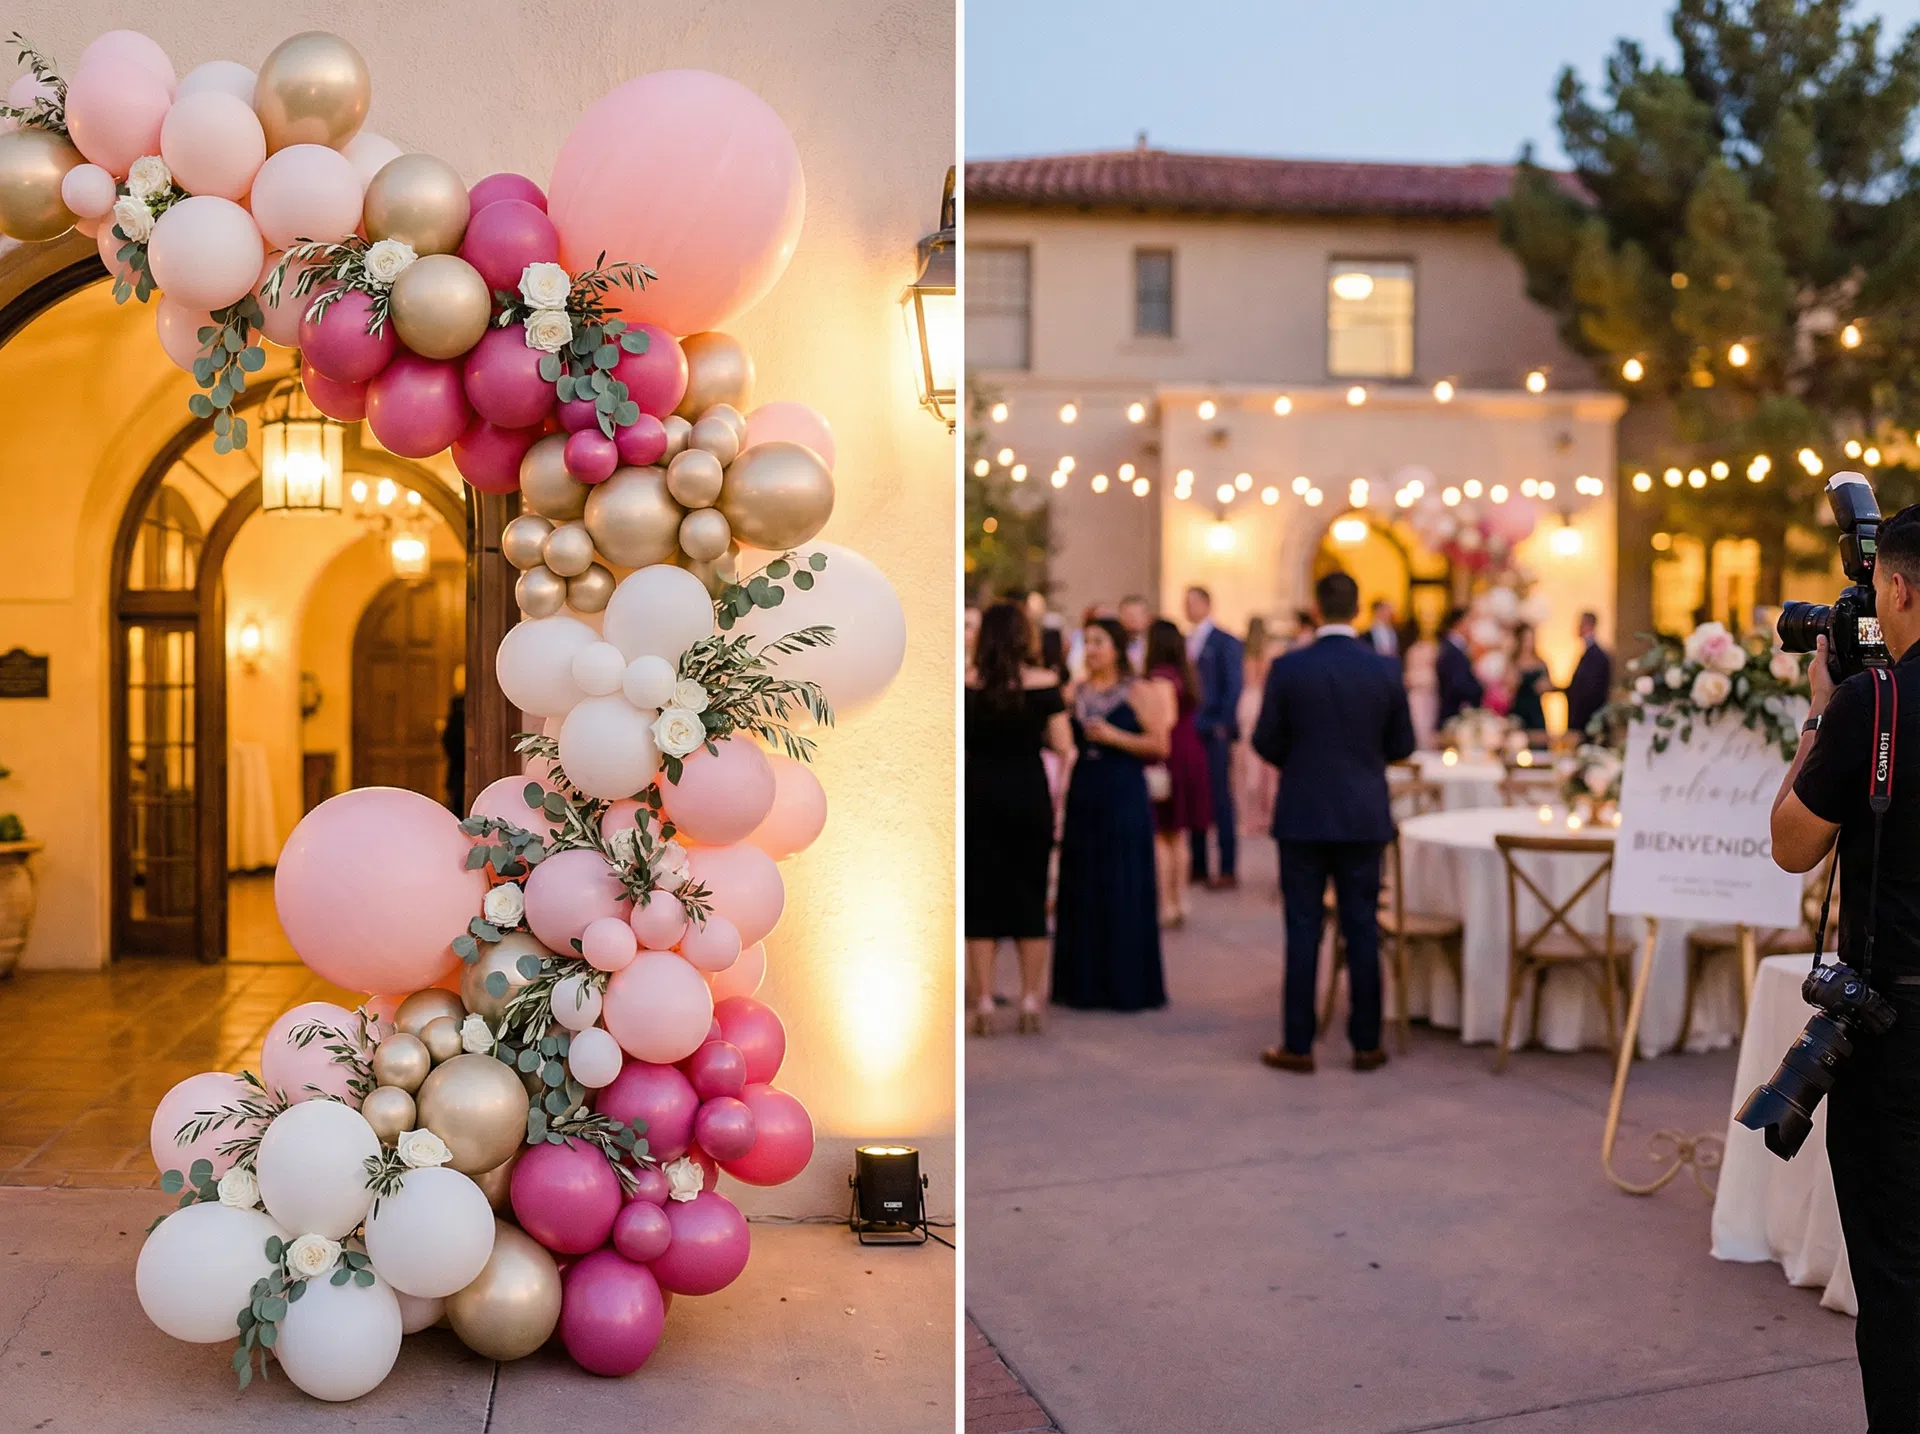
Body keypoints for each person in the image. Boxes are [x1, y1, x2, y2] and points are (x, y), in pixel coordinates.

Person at [1771, 503, 1920, 1431]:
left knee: (1900, 1274)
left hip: (1898, 1036)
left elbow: (1793, 846)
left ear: (1896, 587)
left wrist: (1824, 711)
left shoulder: (1878, 703)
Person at [1251, 570, 1416, 1073]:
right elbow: (1403, 745)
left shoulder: (1289, 668)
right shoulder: (1383, 670)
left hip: (1303, 812)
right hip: (1363, 813)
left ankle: (1297, 1044)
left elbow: (1264, 740)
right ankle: (1366, 1043)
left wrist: (1301, 764)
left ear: (1317, 609)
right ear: (1358, 608)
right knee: (1362, 926)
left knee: (1302, 928)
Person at [965, 602, 1074, 1036]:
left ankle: (986, 1002)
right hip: (1028, 794)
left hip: (980, 795)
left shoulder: (968, 686)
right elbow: (1064, 747)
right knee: (1031, 896)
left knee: (981, 900)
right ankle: (1030, 999)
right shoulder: (1046, 684)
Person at [1052, 617, 1169, 1013]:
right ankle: (1081, 982)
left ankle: (1125, 983)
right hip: (1086, 788)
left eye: (1100, 642)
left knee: (1122, 878)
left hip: (1122, 789)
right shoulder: (1074, 692)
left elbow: (1158, 745)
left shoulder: (1139, 691)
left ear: (1117, 648)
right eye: (1089, 642)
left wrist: (1115, 737)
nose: (1094, 650)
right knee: (1084, 879)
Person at [1145, 618, 1211, 927]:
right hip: (1190, 752)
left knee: (1162, 834)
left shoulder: (1160, 677)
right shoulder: (1187, 674)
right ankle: (1181, 899)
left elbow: (1165, 720)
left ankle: (1166, 904)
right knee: (1179, 835)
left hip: (1168, 756)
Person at [1183, 586, 1244, 891]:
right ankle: (1198, 863)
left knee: (1220, 797)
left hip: (1214, 729)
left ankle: (1228, 866)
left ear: (1206, 604)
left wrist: (1223, 722)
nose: (1188, 608)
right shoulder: (1186, 641)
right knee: (1195, 795)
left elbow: (1233, 684)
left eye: (1192, 602)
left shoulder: (1225, 641)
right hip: (1192, 728)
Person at [1236, 616, 1277, 833]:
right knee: (1264, 764)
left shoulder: (1244, 653)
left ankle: (1249, 813)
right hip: (1261, 699)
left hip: (1247, 700)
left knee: (1247, 759)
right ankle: (1265, 812)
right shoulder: (1270, 652)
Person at [1563, 610, 1612, 739]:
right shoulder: (1587, 654)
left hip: (1588, 724)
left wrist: (1578, 725)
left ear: (1589, 625)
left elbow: (1588, 691)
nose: (1577, 627)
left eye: (1580, 623)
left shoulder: (1596, 656)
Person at [1435, 607, 1484, 724]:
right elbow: (1456, 683)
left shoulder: (1456, 647)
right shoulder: (1451, 650)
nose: (1471, 626)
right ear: (1459, 623)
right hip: (1454, 711)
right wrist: (1478, 691)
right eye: (1469, 621)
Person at [1509, 623, 1550, 738]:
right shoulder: (1513, 661)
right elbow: (1508, 686)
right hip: (1519, 707)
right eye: (1525, 639)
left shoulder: (1540, 662)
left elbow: (1549, 684)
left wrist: (1544, 686)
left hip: (1535, 709)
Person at [1118, 594, 1152, 673]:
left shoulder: (1155, 645)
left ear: (1147, 617)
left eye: (1136, 615)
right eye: (1127, 615)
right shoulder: (1113, 644)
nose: (1132, 619)